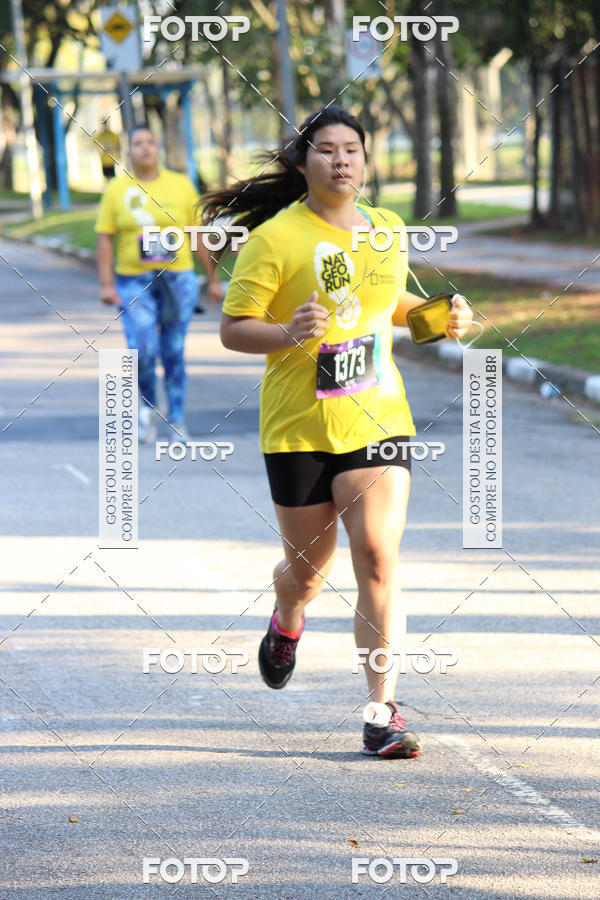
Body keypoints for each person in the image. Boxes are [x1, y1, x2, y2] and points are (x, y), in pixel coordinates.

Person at [205, 105, 472, 759]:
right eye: (326, 149)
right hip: (299, 429)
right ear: (303, 163)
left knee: (378, 556)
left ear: (366, 160)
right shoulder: (274, 239)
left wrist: (446, 317)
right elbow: (235, 326)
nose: (342, 159)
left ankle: (382, 714)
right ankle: (287, 618)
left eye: (353, 148)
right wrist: (287, 333)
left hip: (378, 417)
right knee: (307, 572)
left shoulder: (385, 230)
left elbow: (389, 308)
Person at [95, 124, 224, 443]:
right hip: (133, 281)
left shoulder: (181, 186)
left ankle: (177, 418)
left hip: (177, 279)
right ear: (129, 151)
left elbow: (198, 236)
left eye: (151, 142)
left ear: (158, 148)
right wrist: (106, 284)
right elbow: (105, 238)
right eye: (138, 143)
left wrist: (212, 279)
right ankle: (147, 409)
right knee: (142, 349)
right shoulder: (117, 190)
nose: (145, 148)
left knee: (173, 351)